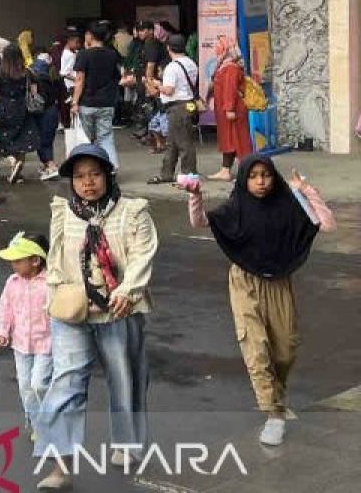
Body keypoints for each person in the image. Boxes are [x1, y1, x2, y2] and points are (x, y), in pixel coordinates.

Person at [180, 157, 336, 446]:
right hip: (244, 283)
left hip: (278, 283)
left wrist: (306, 191)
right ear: (244, 180)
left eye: (266, 175)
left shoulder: (288, 205)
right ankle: (274, 414)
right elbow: (200, 222)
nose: (261, 181)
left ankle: (276, 394)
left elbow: (326, 224)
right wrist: (195, 196)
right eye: (253, 176)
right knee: (256, 349)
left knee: (285, 349)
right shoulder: (236, 206)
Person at [34, 145, 157, 490]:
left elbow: (142, 255)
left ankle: (127, 443)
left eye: (95, 174)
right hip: (74, 311)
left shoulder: (132, 211)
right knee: (67, 382)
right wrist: (58, 297)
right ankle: (60, 467)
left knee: (125, 378)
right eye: (79, 176)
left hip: (119, 308)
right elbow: (56, 260)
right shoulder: (63, 213)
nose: (87, 183)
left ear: (107, 175)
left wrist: (127, 292)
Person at [0, 231, 53, 440]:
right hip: (20, 344)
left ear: (36, 260)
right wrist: (0, 331)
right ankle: (37, 424)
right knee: (26, 386)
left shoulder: (50, 283)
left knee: (39, 385)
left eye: (18, 261)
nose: (13, 265)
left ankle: (48, 421)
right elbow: (4, 308)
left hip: (46, 343)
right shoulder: (13, 282)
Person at [147, 34, 199, 184]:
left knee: (183, 143)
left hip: (177, 107)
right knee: (173, 142)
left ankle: (189, 176)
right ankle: (167, 174)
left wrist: (157, 84)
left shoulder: (172, 67)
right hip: (188, 104)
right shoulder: (191, 63)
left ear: (169, 48)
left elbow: (169, 90)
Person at [71, 21, 122, 170]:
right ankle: (111, 167)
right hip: (107, 102)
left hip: (87, 102)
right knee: (105, 136)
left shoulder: (84, 54)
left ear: (90, 36)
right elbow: (117, 77)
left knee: (86, 139)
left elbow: (79, 80)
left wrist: (75, 102)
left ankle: (90, 168)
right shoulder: (112, 54)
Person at [0, 44, 40, 184]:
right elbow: (34, 92)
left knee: (1, 139)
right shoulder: (28, 73)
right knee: (22, 139)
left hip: (3, 109)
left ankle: (12, 161)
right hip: (22, 109)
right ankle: (18, 171)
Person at [206, 35, 253, 181]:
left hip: (232, 111)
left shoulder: (230, 67)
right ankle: (225, 170)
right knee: (229, 141)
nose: (216, 49)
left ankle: (249, 172)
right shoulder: (225, 65)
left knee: (240, 141)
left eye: (219, 46)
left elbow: (230, 89)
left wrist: (229, 109)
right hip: (226, 110)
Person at [29, 54, 63, 181]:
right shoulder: (55, 75)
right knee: (48, 141)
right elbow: (62, 95)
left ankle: (51, 166)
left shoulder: (33, 76)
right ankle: (48, 165)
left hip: (38, 111)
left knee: (41, 141)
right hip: (52, 110)